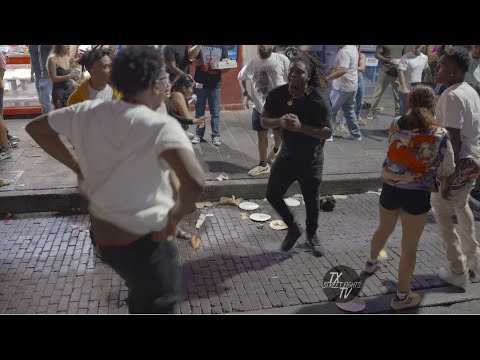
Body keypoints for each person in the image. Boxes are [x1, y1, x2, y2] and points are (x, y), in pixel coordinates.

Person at [26, 46, 205, 314]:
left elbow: (36, 128)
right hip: (147, 242)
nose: (168, 87)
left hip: (108, 243)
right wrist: (176, 216)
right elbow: (195, 181)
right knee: (156, 300)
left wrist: (77, 167)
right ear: (156, 85)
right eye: (165, 81)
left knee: (140, 292)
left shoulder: (87, 112)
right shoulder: (158, 125)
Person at [364, 84, 455, 310]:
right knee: (409, 247)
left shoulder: (396, 123)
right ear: (433, 105)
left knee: (383, 230)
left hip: (390, 189)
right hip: (417, 196)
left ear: (410, 103)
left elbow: (392, 148)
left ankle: (371, 262)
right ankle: (402, 297)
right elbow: (447, 169)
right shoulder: (439, 134)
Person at [261, 52, 332, 257]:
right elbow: (264, 121)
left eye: (299, 72)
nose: (293, 75)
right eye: (291, 70)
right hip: (287, 156)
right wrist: (279, 122)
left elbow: (328, 132)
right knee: (272, 194)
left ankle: (312, 236)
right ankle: (293, 228)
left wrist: (301, 127)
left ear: (308, 76)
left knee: (311, 200)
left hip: (311, 159)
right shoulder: (277, 95)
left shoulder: (318, 99)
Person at [431, 46, 480, 289]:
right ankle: (474, 261)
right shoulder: (469, 90)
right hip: (473, 159)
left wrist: (448, 175)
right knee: (461, 206)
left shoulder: (450, 96)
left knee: (442, 214)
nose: (437, 68)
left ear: (454, 69)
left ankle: (457, 270)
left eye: (442, 64)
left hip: (456, 162)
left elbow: (453, 138)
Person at [238, 45, 290, 176]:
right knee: (261, 136)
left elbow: (291, 79)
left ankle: (276, 148)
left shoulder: (281, 59)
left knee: (279, 137)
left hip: (279, 107)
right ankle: (263, 164)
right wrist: (245, 93)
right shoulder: (252, 63)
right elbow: (241, 77)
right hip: (260, 108)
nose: (264, 46)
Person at [188, 45, 230, 146]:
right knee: (199, 110)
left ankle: (216, 136)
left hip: (215, 84)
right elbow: (191, 57)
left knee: (215, 112)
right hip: (200, 83)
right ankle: (199, 135)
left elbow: (226, 63)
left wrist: (225, 67)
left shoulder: (222, 47)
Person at [398, 45, 431, 116]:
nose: (416, 47)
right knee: (403, 112)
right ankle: (398, 126)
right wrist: (404, 88)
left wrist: (427, 81)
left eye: (418, 46)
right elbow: (401, 72)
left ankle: (411, 127)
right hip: (405, 91)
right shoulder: (405, 57)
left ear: (422, 46)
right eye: (414, 46)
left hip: (417, 90)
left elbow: (426, 68)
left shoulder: (424, 58)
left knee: (415, 112)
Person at [28, 45, 54, 114]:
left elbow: (53, 54)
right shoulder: (31, 46)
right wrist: (31, 73)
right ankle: (47, 120)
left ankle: (49, 121)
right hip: (38, 76)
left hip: (46, 76)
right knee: (43, 102)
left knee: (45, 102)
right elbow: (32, 58)